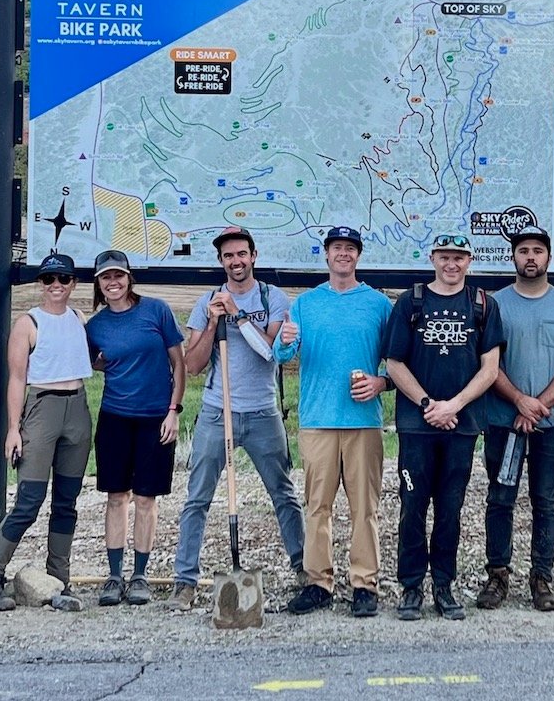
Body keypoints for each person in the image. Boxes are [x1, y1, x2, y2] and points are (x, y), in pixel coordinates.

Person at [170, 228, 303, 611]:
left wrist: (239, 316)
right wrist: (213, 323)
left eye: (241, 254)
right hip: (217, 410)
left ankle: (302, 566)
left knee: (283, 493)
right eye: (229, 256)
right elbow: (193, 366)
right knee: (197, 498)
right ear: (221, 261)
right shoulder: (207, 302)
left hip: (262, 411)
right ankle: (184, 581)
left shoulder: (271, 298)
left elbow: (271, 354)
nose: (236, 261)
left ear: (253, 256)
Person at [275, 226, 394, 618]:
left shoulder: (378, 304)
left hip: (363, 421)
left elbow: (396, 362)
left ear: (358, 256)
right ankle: (318, 582)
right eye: (336, 248)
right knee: (317, 506)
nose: (343, 255)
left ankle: (364, 583)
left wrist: (381, 382)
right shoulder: (306, 304)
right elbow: (281, 354)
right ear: (326, 255)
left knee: (365, 508)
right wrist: (286, 339)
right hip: (318, 419)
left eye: (350, 249)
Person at [383, 232, 503, 621]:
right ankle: (411, 587)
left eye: (460, 258)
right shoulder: (411, 302)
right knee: (413, 506)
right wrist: (426, 404)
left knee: (451, 509)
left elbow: (490, 369)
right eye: (445, 257)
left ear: (470, 261)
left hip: (462, 425)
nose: (452, 265)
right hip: (416, 427)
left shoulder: (483, 304)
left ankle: (444, 586)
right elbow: (394, 363)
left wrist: (454, 405)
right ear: (432, 257)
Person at [0, 253, 97, 613]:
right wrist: (14, 429)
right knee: (28, 501)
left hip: (77, 408)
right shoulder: (28, 323)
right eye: (48, 279)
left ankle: (59, 578)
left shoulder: (79, 318)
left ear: (73, 283)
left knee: (67, 501)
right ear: (40, 284)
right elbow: (16, 378)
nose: (56, 285)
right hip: (42, 407)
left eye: (63, 279)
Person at [475, 225, 554, 613]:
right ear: (514, 257)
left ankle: (541, 577)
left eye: (538, 250)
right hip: (503, 420)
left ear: (548, 257)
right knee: (500, 499)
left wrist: (537, 406)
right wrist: (519, 401)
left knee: (547, 501)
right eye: (524, 250)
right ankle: (498, 575)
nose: (531, 257)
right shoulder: (494, 304)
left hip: (550, 424)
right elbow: (488, 362)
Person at [84, 249, 186, 607]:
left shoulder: (156, 311)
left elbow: (179, 363)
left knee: (146, 498)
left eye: (119, 276)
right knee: (116, 497)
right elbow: (95, 362)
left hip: (156, 416)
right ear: (98, 283)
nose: (113, 283)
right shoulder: (95, 326)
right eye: (106, 278)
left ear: (129, 278)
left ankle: (140, 575)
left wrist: (174, 410)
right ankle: (114, 575)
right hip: (115, 416)